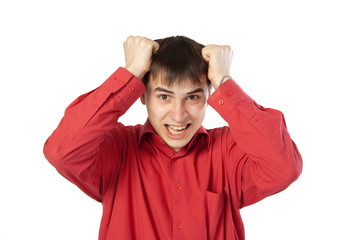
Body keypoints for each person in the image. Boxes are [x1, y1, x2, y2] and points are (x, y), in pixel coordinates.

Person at [44, 35, 302, 240]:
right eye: (164, 96)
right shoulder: (116, 149)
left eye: (192, 97)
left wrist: (223, 81)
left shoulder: (228, 151)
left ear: (208, 97)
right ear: (142, 94)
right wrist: (130, 72)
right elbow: (62, 151)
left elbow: (283, 168)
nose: (178, 116)